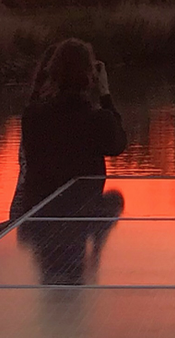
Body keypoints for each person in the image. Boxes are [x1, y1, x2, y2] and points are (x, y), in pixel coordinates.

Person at [10, 37, 126, 216]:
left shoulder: (32, 116)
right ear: (90, 76)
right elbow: (119, 144)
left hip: (38, 214)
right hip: (82, 214)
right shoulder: (98, 120)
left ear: (52, 73)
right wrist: (105, 94)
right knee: (115, 200)